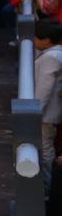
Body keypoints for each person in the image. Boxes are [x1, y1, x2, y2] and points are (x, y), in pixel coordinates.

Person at [34, 19, 62, 192]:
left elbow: (44, 89)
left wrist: (35, 112)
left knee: (45, 151)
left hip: (46, 114)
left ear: (46, 41)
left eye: (36, 38)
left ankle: (49, 186)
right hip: (50, 112)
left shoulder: (51, 58)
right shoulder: (56, 53)